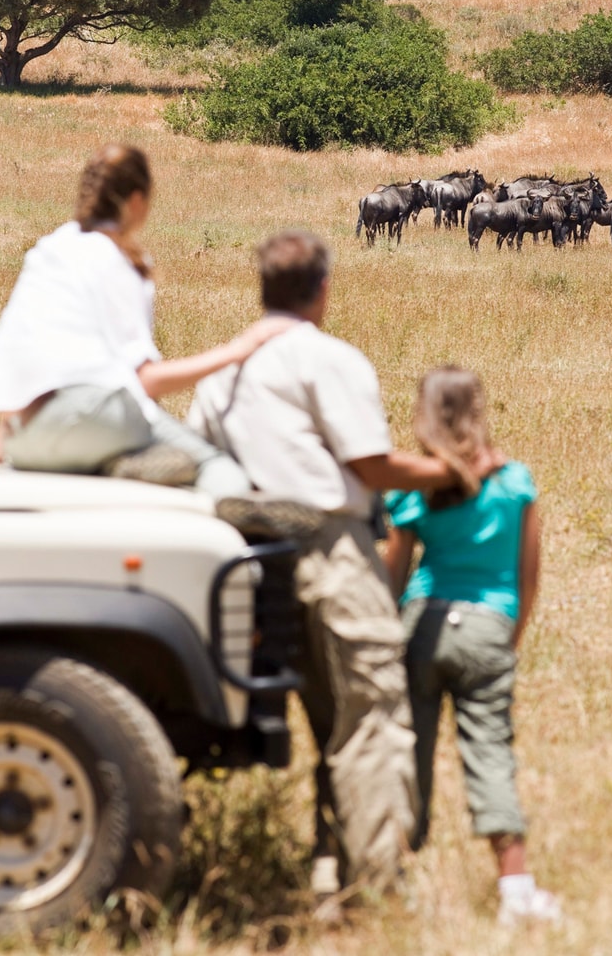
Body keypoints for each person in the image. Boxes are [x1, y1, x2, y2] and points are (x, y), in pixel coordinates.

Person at [187, 229, 485, 901]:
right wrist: (450, 469)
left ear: (262, 290)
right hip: (330, 548)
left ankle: (327, 866)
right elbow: (370, 465)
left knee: (324, 719)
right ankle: (375, 885)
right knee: (371, 711)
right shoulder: (329, 358)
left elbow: (201, 462)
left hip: (249, 561)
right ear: (323, 289)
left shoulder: (221, 375)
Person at [0, 143, 290, 494]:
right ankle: (239, 520)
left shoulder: (49, 249)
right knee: (212, 462)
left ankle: (114, 459)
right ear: (135, 200)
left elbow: (15, 352)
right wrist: (240, 348)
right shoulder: (119, 261)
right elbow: (146, 381)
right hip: (94, 422)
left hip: (24, 440)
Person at [382, 365, 561, 927]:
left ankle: (396, 881)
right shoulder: (515, 483)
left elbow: (392, 574)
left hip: (423, 624)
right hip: (488, 626)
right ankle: (515, 888)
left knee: (408, 755)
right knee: (489, 752)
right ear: (481, 412)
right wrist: (512, 635)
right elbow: (529, 576)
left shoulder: (416, 489)